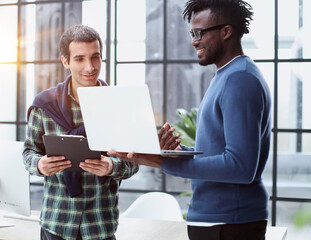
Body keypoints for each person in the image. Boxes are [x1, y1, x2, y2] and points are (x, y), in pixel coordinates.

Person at [108, 0, 271, 239]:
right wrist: (176, 152)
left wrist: (160, 162)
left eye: (199, 32)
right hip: (219, 221)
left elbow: (241, 166)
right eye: (192, 33)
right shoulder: (226, 75)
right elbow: (217, 151)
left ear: (226, 32)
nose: (194, 40)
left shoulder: (240, 80)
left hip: (230, 223)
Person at [23, 24, 139, 240]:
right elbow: (28, 152)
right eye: (79, 59)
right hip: (57, 223)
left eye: (95, 57)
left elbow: (134, 162)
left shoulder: (119, 104)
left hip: (100, 225)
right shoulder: (43, 105)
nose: (90, 67)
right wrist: (39, 165)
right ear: (65, 61)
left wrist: (112, 166)